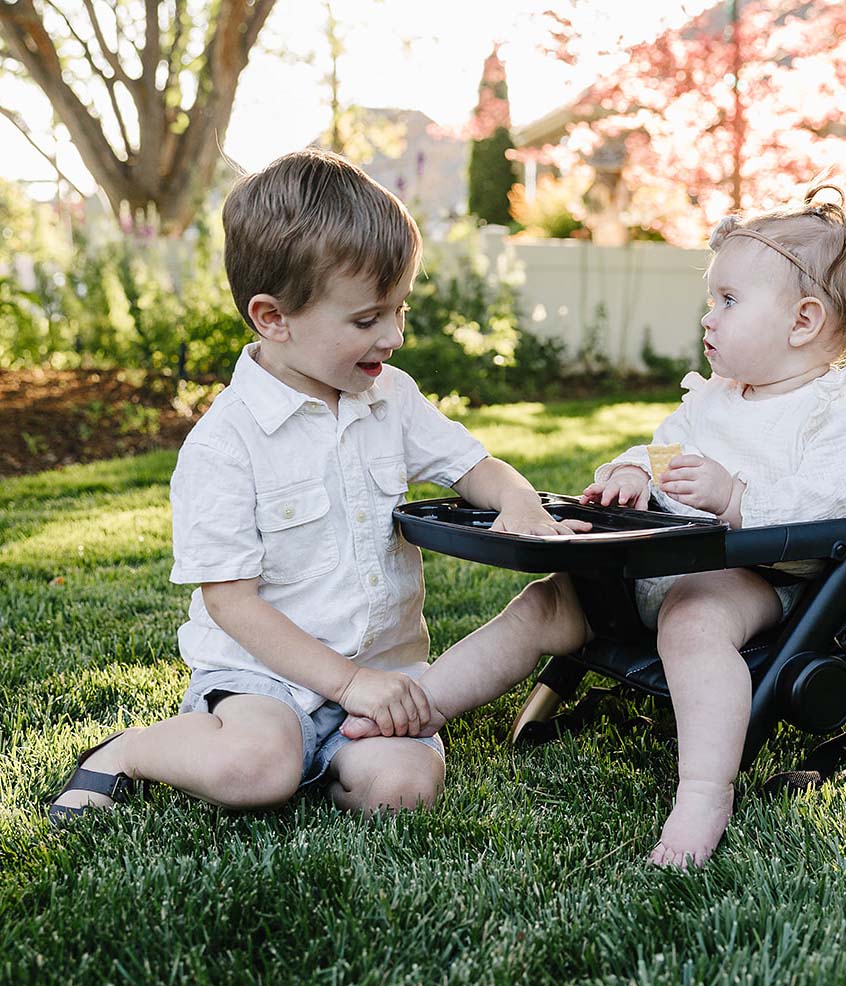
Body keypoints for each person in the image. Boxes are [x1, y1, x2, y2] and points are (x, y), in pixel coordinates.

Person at [344, 184, 846, 869]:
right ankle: (418, 705)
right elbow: (661, 449)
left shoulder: (836, 409)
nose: (709, 315)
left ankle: (703, 791)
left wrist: (733, 497)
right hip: (655, 560)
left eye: (728, 300)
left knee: (693, 621)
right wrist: (634, 470)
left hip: (751, 578)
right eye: (711, 298)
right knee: (545, 600)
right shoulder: (716, 399)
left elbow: (828, 511)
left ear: (803, 320)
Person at [47, 148, 588, 826]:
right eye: (367, 319)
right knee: (256, 767)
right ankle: (132, 749)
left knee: (402, 790)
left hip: (383, 671)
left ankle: (336, 755)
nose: (392, 336)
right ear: (273, 318)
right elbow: (231, 604)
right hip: (262, 677)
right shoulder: (226, 441)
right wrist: (345, 684)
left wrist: (518, 501)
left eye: (400, 310)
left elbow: (474, 466)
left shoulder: (391, 398)